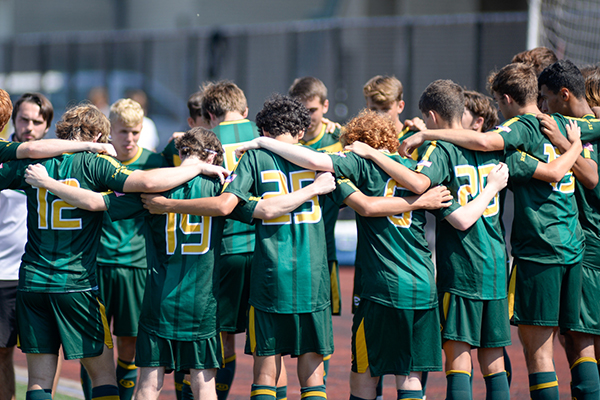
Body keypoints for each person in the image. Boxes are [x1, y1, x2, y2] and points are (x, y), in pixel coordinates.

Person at [0, 103, 231, 400]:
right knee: (104, 375)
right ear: (97, 137)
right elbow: (144, 182)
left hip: (32, 280)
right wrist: (197, 167)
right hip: (76, 282)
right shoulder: (96, 163)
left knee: (39, 380)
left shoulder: (33, 163)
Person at [399, 63, 600, 400]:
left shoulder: (515, 136)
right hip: (571, 247)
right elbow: (583, 174)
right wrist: (574, 146)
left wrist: (425, 135)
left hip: (533, 251)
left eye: (498, 101)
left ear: (507, 98)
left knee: (535, 355)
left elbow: (482, 141)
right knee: (579, 343)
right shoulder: (568, 125)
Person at [78, 99, 168, 400]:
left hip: (136, 265)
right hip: (97, 262)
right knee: (93, 345)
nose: (129, 139)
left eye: (135, 132)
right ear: (109, 131)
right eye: (122, 132)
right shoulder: (96, 160)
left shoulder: (155, 163)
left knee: (129, 343)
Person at [537, 60, 600, 399]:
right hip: (585, 248)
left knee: (580, 340)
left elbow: (592, 179)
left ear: (565, 94)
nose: (543, 106)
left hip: (589, 251)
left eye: (545, 98)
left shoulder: (577, 130)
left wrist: (566, 143)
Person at [0, 92, 57, 400]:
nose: (29, 127)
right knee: (2, 354)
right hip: (6, 273)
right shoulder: (5, 155)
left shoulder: (56, 162)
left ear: (47, 126)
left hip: (37, 272)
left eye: (38, 121)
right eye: (24, 119)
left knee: (48, 349)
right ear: (12, 119)